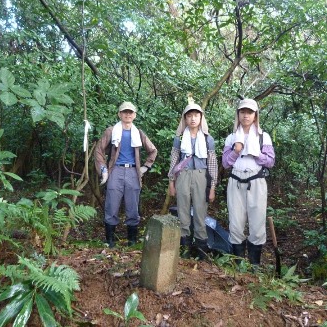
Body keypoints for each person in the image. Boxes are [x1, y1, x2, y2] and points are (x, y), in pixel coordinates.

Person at [95, 101, 157, 247]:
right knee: (111, 204)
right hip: (115, 170)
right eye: (124, 112)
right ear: (119, 114)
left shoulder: (139, 133)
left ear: (134, 115)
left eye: (130, 112)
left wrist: (146, 167)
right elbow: (99, 150)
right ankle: (110, 241)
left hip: (133, 172)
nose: (127, 114)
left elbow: (153, 150)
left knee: (132, 206)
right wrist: (103, 169)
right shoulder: (111, 131)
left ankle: (132, 241)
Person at [222, 98, 275, 267]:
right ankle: (238, 265)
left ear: (255, 115)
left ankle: (254, 267)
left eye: (250, 112)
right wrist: (237, 151)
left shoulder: (263, 137)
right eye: (243, 112)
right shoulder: (231, 138)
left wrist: (256, 154)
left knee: (257, 223)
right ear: (238, 114)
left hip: (256, 181)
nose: (246, 115)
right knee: (236, 224)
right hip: (235, 181)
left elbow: (270, 161)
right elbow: (225, 163)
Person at [167, 103, 218, 259]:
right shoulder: (180, 138)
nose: (193, 119)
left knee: (200, 213)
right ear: (185, 118)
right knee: (183, 211)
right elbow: (174, 159)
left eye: (196, 115)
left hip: (201, 177)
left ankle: (201, 250)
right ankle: (185, 249)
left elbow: (212, 163)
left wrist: (212, 187)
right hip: (183, 175)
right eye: (189, 116)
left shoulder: (208, 139)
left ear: (201, 117)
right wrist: (171, 182)